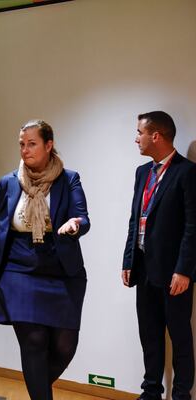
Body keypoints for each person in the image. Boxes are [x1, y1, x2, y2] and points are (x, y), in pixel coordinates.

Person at [0, 120, 90, 400]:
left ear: (49, 145)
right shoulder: (9, 182)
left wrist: (75, 224)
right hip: (17, 271)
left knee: (65, 347)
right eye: (22, 144)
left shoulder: (69, 179)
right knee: (34, 341)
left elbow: (82, 217)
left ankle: (37, 389)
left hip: (61, 268)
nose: (25, 150)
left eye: (32, 143)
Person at [122, 111, 196, 400]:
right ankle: (150, 392)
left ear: (157, 136)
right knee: (149, 336)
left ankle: (181, 396)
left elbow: (193, 226)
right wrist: (129, 260)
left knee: (180, 338)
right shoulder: (143, 172)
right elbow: (135, 220)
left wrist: (185, 270)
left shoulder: (187, 172)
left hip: (174, 273)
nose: (136, 138)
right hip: (144, 269)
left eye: (139, 132)